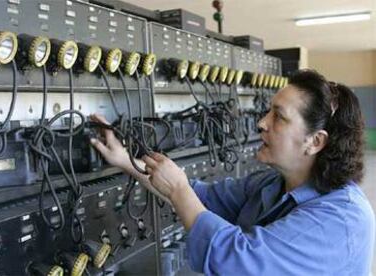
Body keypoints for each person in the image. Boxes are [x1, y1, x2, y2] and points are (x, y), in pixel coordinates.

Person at [89, 69, 375, 275]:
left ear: (315, 142)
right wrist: (127, 161)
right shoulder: (272, 185)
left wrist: (179, 189)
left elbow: (239, 260)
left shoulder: (340, 220)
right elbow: (198, 196)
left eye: (279, 116)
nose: (261, 123)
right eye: (267, 111)